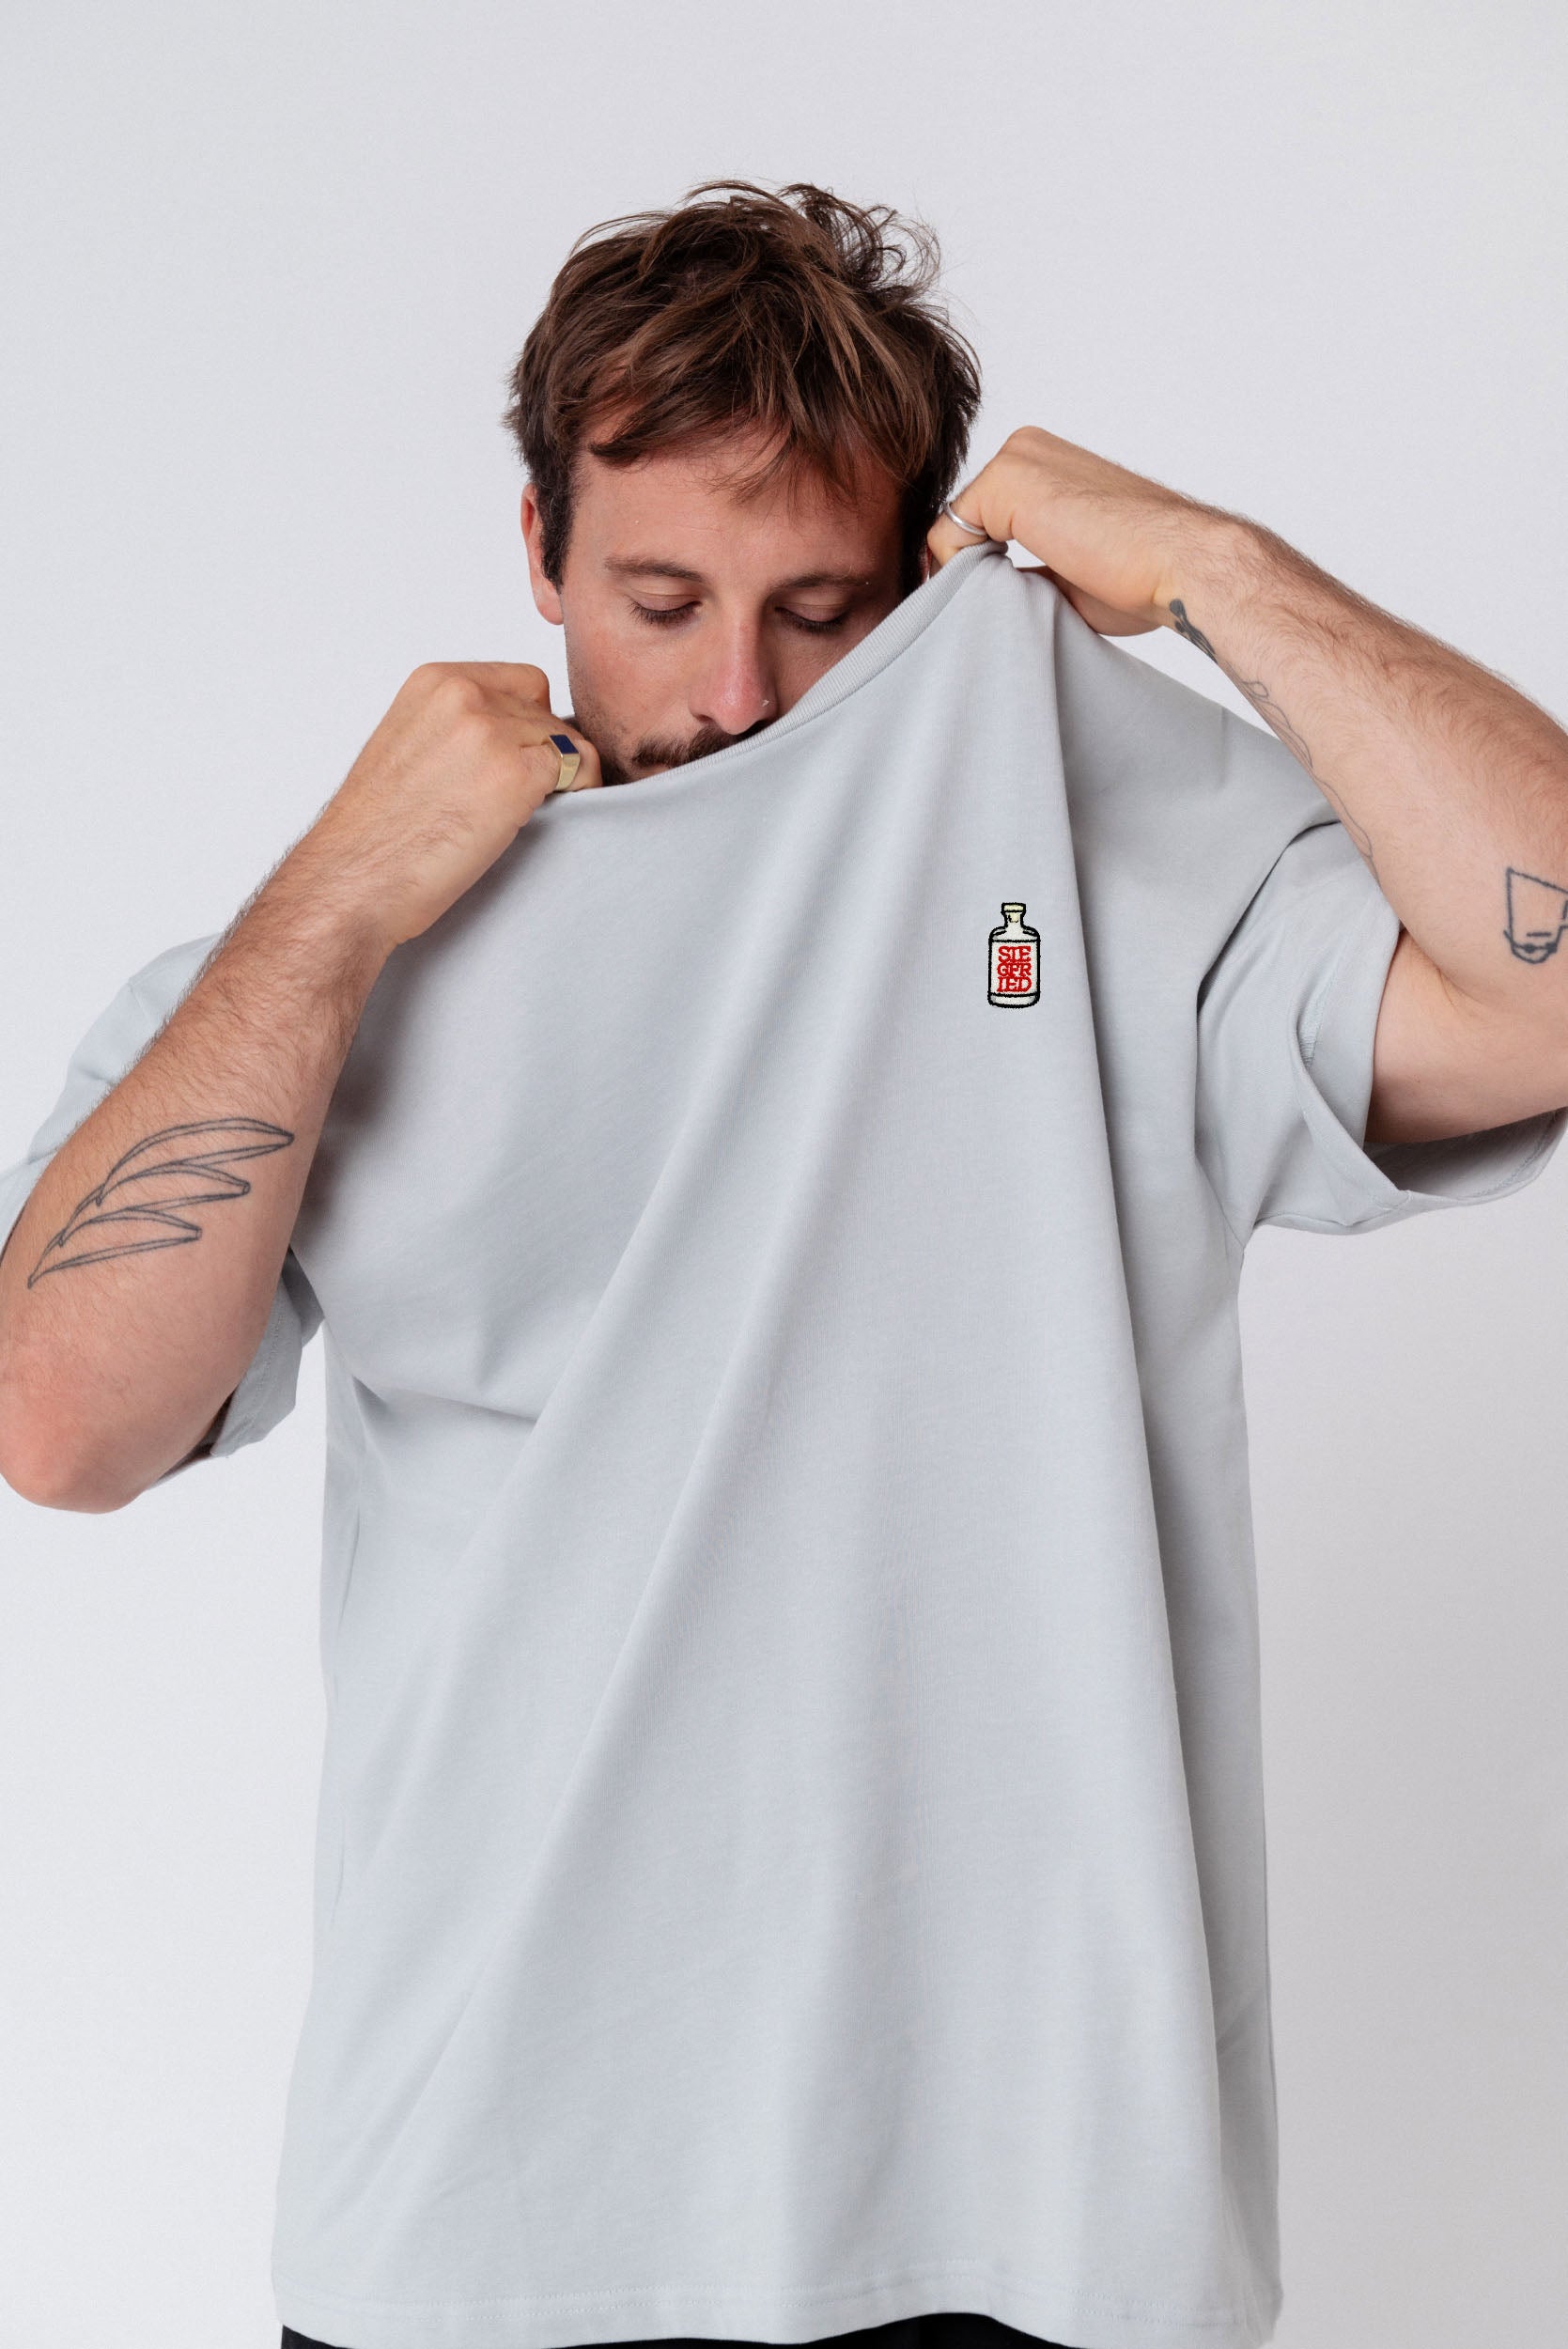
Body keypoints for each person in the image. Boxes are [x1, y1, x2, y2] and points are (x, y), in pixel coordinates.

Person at [0, 179, 1563, 2349]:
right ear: (537, 549)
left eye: (820, 612)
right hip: (488, 2223)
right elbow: (60, 1421)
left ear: (923, 579)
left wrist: (1218, 568)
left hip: (1037, 2218)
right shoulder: (319, 970)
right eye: (659, 599)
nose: (733, 692)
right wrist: (337, 902)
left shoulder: (1110, 886)